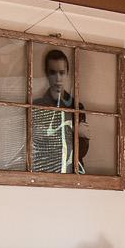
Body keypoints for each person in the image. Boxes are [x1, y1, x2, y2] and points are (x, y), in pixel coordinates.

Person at [29, 46, 86, 174]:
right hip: (44, 172)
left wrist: (82, 135)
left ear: (67, 73)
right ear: (46, 73)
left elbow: (81, 152)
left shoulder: (76, 107)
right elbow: (34, 148)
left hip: (72, 174)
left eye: (61, 72)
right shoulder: (36, 107)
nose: (58, 78)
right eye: (53, 72)